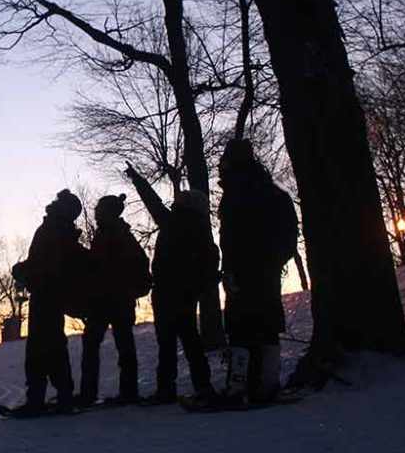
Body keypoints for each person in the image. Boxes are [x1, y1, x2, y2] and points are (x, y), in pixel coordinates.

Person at [124, 164, 217, 403]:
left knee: (170, 343)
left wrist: (139, 180)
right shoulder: (196, 227)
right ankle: (201, 386)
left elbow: (153, 202)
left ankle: (168, 389)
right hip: (182, 292)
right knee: (189, 340)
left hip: (169, 291)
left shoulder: (174, 221)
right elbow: (209, 261)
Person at [216, 138, 298, 406]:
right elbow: (289, 230)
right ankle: (267, 385)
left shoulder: (236, 193)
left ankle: (237, 389)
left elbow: (230, 238)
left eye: (225, 159)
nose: (220, 164)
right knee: (267, 325)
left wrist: (229, 269)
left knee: (240, 327)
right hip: (267, 271)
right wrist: (276, 259)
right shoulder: (271, 191)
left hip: (244, 270)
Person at [7, 189, 88, 417]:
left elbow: (47, 265)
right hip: (48, 294)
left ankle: (41, 399)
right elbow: (44, 262)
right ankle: (59, 396)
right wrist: (26, 269)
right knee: (52, 346)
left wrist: (24, 270)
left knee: (42, 348)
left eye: (59, 201)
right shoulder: (56, 228)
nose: (53, 202)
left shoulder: (55, 229)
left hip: (47, 294)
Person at [78, 194, 150, 407]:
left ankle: (94, 394)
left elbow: (103, 267)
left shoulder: (115, 234)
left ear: (108, 211)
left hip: (111, 299)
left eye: (100, 208)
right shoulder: (112, 232)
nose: (96, 211)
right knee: (118, 343)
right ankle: (122, 392)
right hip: (112, 299)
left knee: (104, 344)